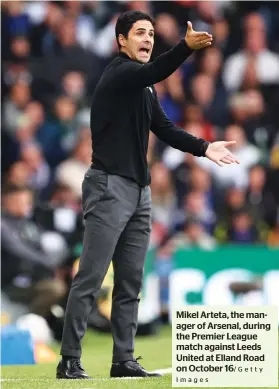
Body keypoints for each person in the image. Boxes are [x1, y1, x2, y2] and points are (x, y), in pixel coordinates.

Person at [57, 10, 239, 380]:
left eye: (152, 34)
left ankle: (123, 360)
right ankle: (69, 361)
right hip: (109, 186)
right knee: (91, 277)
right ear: (121, 40)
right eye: (140, 33)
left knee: (131, 282)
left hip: (140, 191)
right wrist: (184, 48)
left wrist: (205, 148)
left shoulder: (144, 86)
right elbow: (154, 71)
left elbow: (166, 128)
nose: (148, 39)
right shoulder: (120, 74)